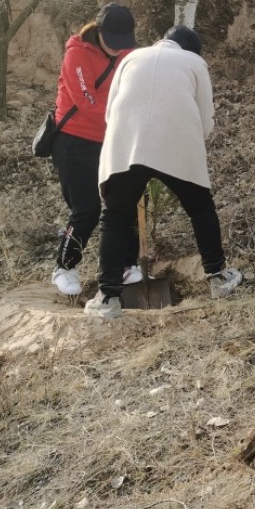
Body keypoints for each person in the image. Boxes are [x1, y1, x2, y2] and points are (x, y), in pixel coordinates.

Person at [86, 25, 243, 319]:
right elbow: (206, 121)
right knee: (200, 208)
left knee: (115, 216)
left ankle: (107, 298)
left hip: (126, 144)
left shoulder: (130, 59)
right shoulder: (195, 63)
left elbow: (110, 113)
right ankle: (218, 278)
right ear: (191, 50)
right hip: (176, 142)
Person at [48, 3, 142, 297]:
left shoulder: (127, 53)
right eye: (112, 41)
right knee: (87, 210)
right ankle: (64, 267)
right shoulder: (76, 53)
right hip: (74, 141)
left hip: (111, 139)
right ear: (99, 31)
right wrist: (124, 117)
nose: (117, 49)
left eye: (123, 42)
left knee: (123, 203)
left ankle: (127, 265)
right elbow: (86, 101)